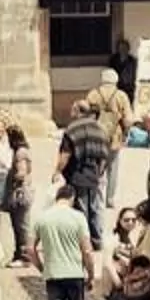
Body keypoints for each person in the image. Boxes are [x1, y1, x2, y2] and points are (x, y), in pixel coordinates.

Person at [31, 182, 95, 300]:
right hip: (75, 274)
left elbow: (29, 248)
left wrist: (41, 267)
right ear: (72, 198)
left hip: (53, 274)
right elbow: (87, 250)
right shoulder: (78, 218)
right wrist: (91, 274)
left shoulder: (42, 218)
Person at [59, 99, 116, 246]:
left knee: (81, 209)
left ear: (78, 111)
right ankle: (96, 240)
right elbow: (105, 155)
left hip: (77, 175)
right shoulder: (100, 129)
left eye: (73, 109)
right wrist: (99, 173)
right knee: (95, 208)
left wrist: (57, 171)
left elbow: (65, 154)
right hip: (94, 175)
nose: (71, 112)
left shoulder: (72, 129)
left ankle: (83, 242)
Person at [0, 124, 36, 266]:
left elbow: (22, 172)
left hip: (21, 194)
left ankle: (25, 257)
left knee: (21, 226)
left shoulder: (20, 153)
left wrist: (10, 177)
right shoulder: (24, 151)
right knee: (19, 225)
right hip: (23, 192)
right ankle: (19, 255)